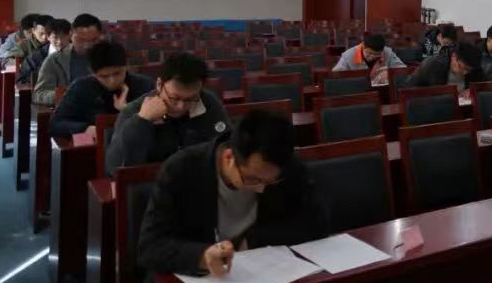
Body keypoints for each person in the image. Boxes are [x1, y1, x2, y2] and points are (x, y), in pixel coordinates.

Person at [138, 109, 327, 278]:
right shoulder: (181, 170)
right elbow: (150, 247)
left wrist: (253, 240)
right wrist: (202, 256)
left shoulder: (285, 167)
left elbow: (316, 223)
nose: (262, 188)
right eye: (253, 179)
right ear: (229, 157)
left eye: (270, 181)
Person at [106, 52, 231, 175]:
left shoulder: (209, 103)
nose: (181, 106)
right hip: (151, 182)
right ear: (159, 84)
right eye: (174, 98)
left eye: (190, 99)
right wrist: (142, 121)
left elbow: (226, 146)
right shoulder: (133, 111)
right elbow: (115, 169)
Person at [50, 41, 154, 138]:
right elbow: (55, 123)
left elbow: (157, 122)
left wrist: (127, 110)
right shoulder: (81, 87)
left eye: (117, 73)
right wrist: (85, 128)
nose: (112, 80)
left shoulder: (144, 85)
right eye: (104, 76)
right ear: (93, 73)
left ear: (126, 66)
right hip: (93, 146)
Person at [34, 13, 106, 105]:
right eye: (81, 40)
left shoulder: (109, 57)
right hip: (71, 109)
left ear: (100, 37)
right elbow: (38, 94)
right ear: (71, 35)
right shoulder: (55, 60)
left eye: (93, 40)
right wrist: (63, 95)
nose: (87, 45)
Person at [331, 33, 407, 83]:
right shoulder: (348, 55)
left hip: (381, 88)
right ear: (363, 46)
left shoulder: (387, 52)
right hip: (356, 89)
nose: (372, 57)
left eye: (376, 54)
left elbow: (402, 70)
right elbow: (336, 76)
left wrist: (389, 74)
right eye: (369, 53)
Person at [409, 41, 485, 91]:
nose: (464, 73)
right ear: (454, 57)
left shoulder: (475, 68)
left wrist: (470, 92)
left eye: (468, 70)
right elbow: (437, 93)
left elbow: (482, 89)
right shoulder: (434, 64)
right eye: (461, 67)